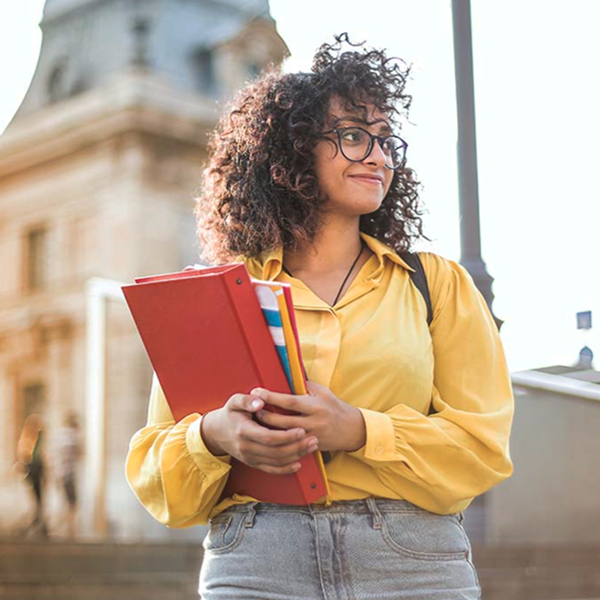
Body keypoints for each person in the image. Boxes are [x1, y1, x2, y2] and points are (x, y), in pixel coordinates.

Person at [126, 33, 514, 599]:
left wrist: (358, 430)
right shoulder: (219, 296)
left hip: (412, 560)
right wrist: (214, 435)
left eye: (385, 140)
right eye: (354, 136)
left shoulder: (436, 284)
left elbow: (482, 449)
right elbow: (158, 474)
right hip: (257, 559)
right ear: (292, 151)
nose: (379, 156)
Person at [15, 413, 48, 537]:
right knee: (37, 500)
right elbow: (25, 456)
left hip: (36, 471)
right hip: (33, 470)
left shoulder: (36, 439)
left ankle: (39, 523)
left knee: (38, 500)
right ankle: (37, 523)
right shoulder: (29, 438)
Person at [56, 412, 82, 537]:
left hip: (62, 473)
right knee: (72, 503)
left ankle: (67, 528)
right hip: (68, 474)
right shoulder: (71, 437)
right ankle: (69, 529)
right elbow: (78, 453)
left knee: (67, 501)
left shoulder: (61, 436)